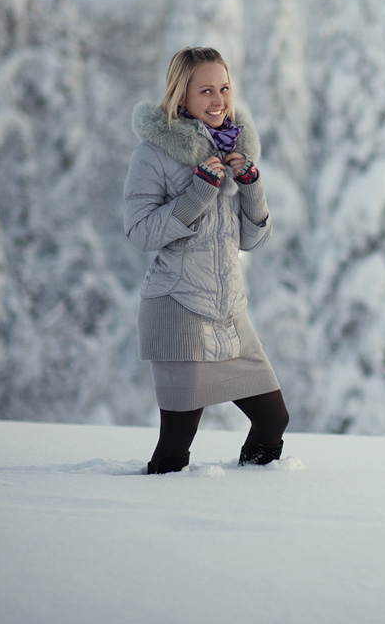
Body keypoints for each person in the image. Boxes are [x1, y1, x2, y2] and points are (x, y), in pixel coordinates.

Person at [123, 46, 289, 474]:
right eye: (207, 91)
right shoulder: (153, 155)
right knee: (175, 447)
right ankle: (161, 524)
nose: (219, 100)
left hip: (228, 311)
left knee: (274, 420)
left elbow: (253, 240)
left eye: (225, 89)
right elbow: (140, 233)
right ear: (182, 98)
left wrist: (250, 183)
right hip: (178, 307)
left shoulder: (236, 150)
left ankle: (252, 509)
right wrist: (198, 192)